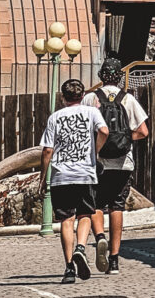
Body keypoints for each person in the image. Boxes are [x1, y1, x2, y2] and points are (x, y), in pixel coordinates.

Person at [82, 56, 148, 274]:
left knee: (95, 205)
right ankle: (114, 260)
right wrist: (125, 139)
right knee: (117, 206)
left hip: (97, 162)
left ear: (101, 76)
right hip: (123, 163)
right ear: (120, 77)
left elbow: (84, 129)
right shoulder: (127, 99)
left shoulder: (90, 98)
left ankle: (100, 236)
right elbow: (143, 131)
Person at [40, 78, 108, 284]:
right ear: (82, 96)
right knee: (85, 214)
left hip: (61, 175)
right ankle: (81, 247)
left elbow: (47, 150)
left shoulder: (55, 117)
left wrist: (43, 177)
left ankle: (69, 268)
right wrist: (95, 151)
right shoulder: (92, 113)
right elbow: (104, 131)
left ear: (63, 97)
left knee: (66, 221)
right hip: (84, 173)